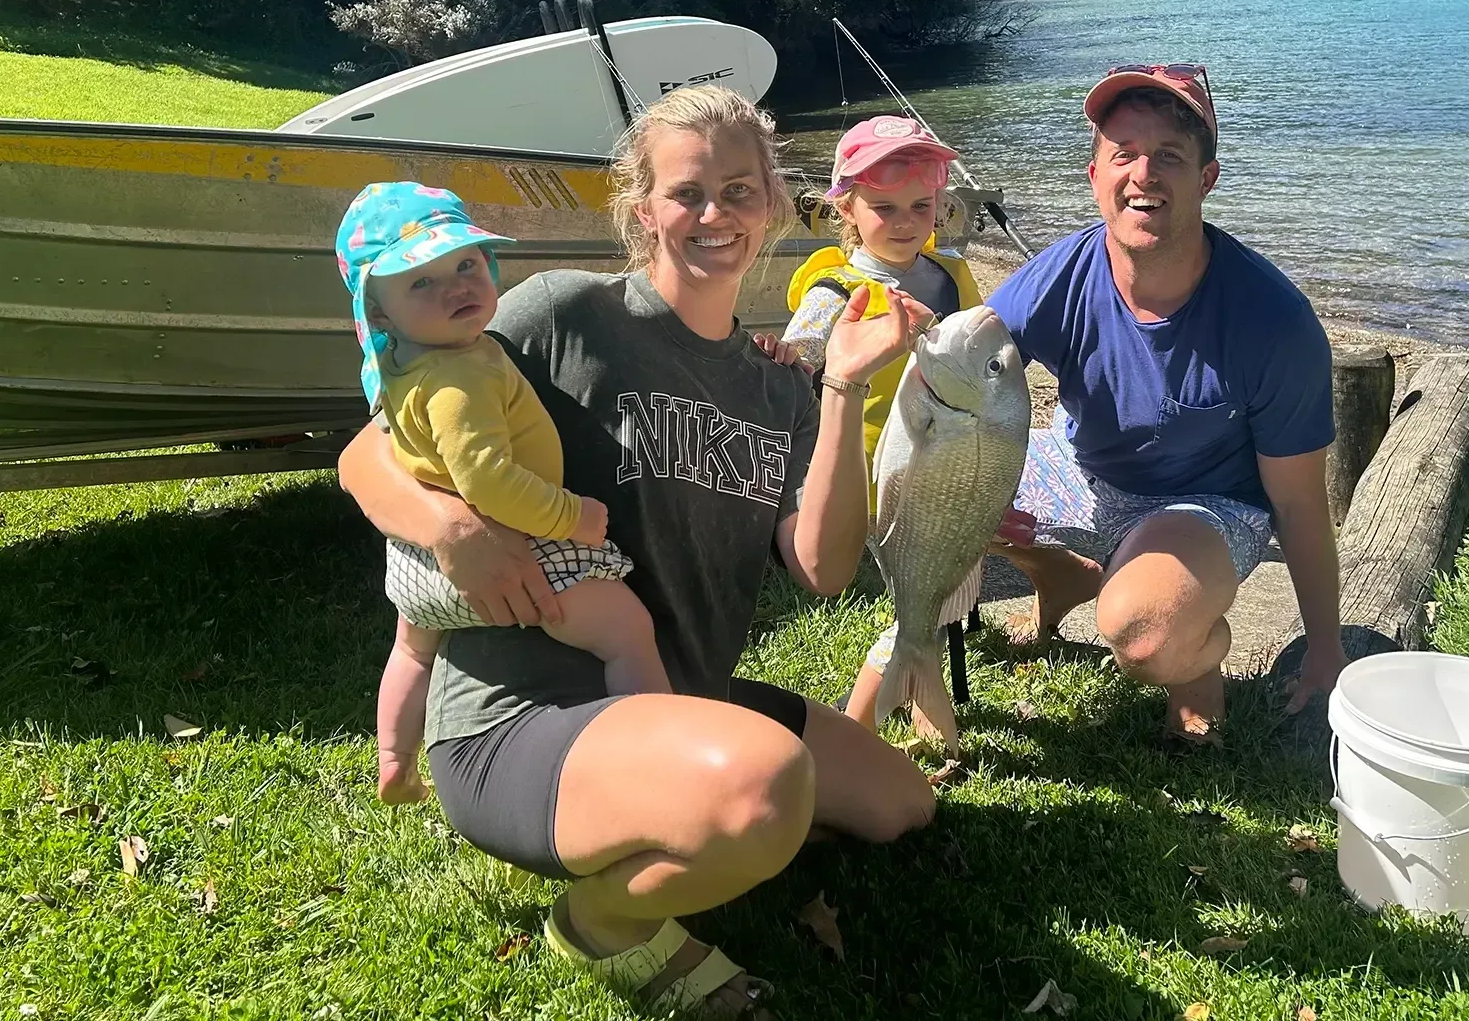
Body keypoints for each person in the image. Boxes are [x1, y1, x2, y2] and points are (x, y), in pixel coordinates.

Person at [335, 85, 936, 1018]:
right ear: (641, 208)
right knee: (765, 792)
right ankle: (605, 924)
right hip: (517, 717)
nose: (714, 215)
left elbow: (821, 570)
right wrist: (450, 532)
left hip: (675, 694)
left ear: (773, 202)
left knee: (901, 805)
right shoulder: (561, 316)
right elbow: (369, 450)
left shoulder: (778, 387)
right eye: (686, 192)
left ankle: (697, 801)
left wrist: (844, 389)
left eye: (739, 191)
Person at [988, 64, 1347, 743]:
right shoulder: (1059, 274)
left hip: (1206, 506)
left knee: (1146, 636)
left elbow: (1300, 503)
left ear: (1207, 179)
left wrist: (1325, 646)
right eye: (1123, 154)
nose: (1144, 174)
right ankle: (1066, 577)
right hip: (1083, 470)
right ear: (1094, 175)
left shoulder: (1274, 321)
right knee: (938, 487)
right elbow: (964, 371)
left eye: (1171, 156)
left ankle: (1196, 657)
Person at [335, 181, 672, 806]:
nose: (457, 287)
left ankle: (393, 757)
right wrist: (573, 516)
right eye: (421, 282)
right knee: (627, 632)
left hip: (419, 569)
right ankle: (656, 753)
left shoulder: (407, 361)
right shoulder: (459, 377)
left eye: (465, 264)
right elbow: (487, 480)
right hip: (518, 550)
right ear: (377, 312)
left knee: (411, 650)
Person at [780, 115, 984, 732]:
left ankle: (928, 717)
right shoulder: (837, 287)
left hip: (948, 466)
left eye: (921, 205)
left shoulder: (949, 275)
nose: (902, 222)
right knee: (921, 600)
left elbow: (982, 352)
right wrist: (781, 355)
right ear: (845, 206)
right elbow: (799, 355)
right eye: (883, 206)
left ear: (943, 205)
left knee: (946, 590)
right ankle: (858, 725)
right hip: (875, 477)